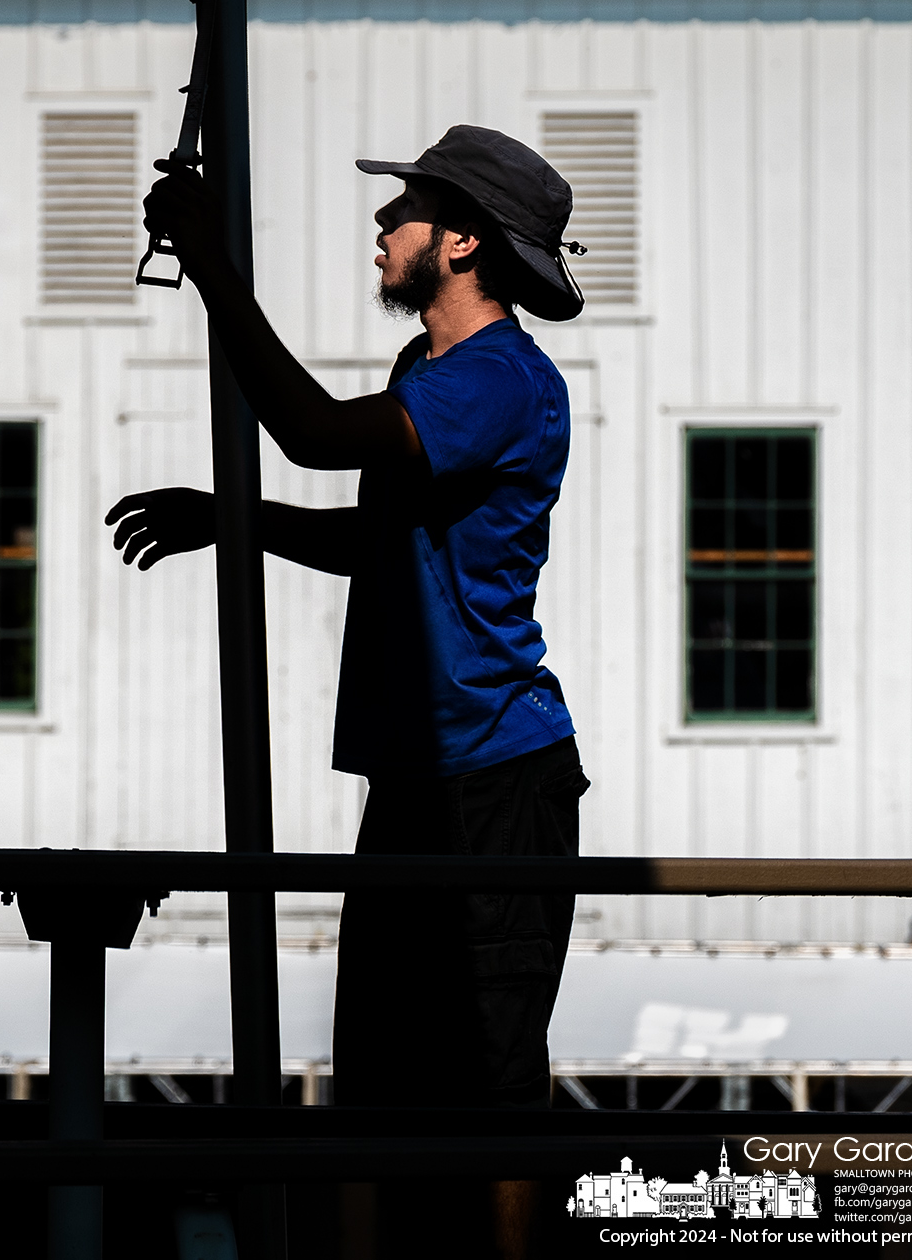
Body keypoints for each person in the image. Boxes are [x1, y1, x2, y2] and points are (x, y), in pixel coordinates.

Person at [108, 125, 591, 1259]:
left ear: (462, 240)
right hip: (419, 777)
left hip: (494, 783)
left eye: (405, 210)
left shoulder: (499, 379)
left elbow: (317, 437)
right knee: (377, 1079)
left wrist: (212, 268)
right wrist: (228, 520)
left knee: (496, 1081)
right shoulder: (427, 373)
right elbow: (378, 540)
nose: (382, 228)